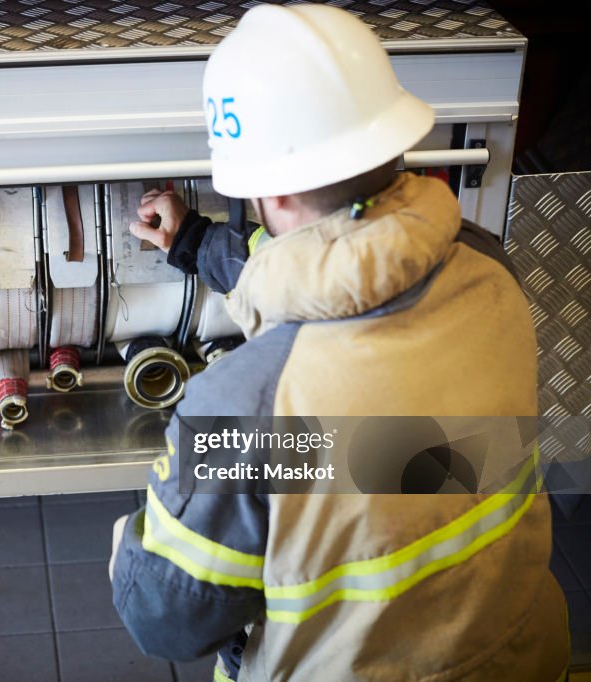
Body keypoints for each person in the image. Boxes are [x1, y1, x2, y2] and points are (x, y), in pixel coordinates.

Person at [108, 4, 570, 681]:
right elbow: (355, 272)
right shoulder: (487, 269)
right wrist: (196, 243)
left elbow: (162, 617)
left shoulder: (252, 411)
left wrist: (134, 540)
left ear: (272, 192)